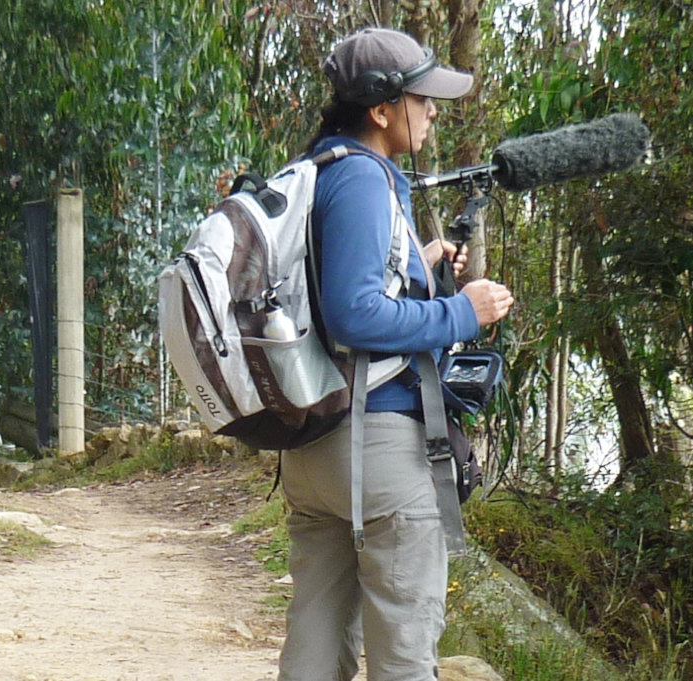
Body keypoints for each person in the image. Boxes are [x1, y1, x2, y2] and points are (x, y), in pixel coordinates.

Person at [277, 28, 514, 681]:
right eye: (423, 99)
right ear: (381, 110)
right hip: (378, 451)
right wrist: (462, 310)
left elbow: (338, 291)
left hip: (313, 444)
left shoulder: (317, 170)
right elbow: (355, 313)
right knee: (405, 658)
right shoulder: (362, 178)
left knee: (314, 645)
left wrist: (424, 263)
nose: (434, 111)